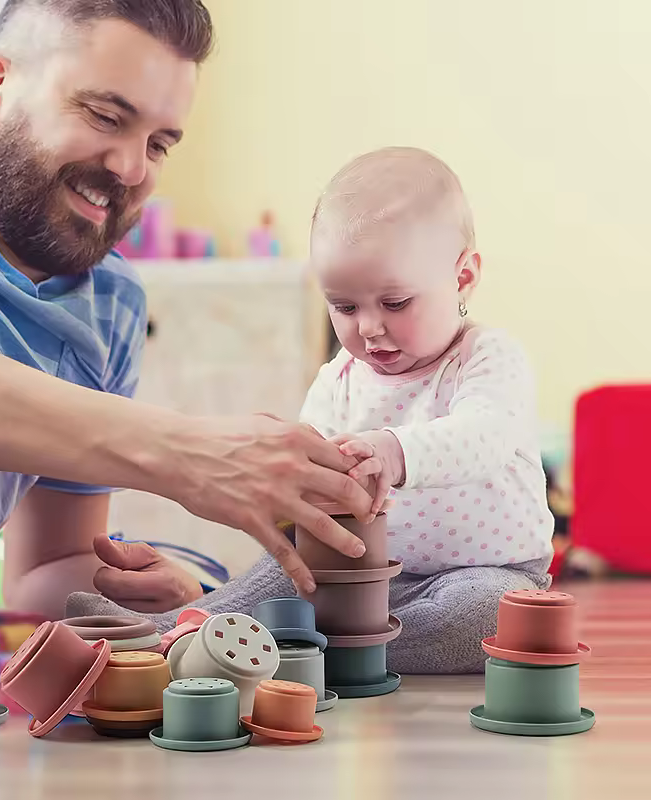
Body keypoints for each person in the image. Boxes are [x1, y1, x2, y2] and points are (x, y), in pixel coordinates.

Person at [0, 0, 379, 639]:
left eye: (159, 144)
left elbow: (40, 571)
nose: (131, 169)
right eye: (105, 115)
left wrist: (157, 589)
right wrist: (189, 454)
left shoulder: (108, 305)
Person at [69, 147, 555, 673]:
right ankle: (174, 631)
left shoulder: (485, 358)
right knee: (285, 569)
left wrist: (393, 451)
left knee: (491, 617)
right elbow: (305, 478)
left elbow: (483, 436)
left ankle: (313, 649)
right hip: (358, 573)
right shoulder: (338, 378)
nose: (368, 328)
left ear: (462, 279)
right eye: (345, 307)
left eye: (395, 303)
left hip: (484, 571)